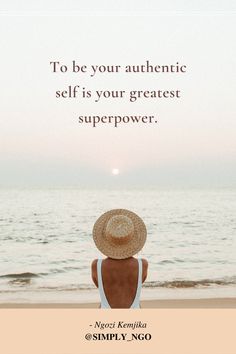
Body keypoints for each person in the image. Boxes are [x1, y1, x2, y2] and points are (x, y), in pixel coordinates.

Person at [91, 209, 148, 308]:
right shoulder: (142, 264)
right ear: (133, 238)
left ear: (106, 238)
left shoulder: (96, 265)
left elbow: (99, 286)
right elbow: (140, 281)